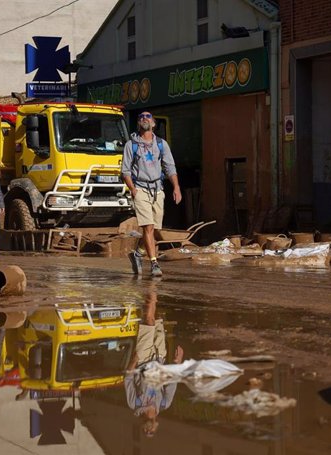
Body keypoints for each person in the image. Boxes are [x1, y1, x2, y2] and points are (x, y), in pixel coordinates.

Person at [122, 111, 182, 277]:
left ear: (154, 124)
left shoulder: (161, 144)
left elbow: (170, 167)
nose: (144, 119)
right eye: (141, 117)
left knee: (155, 229)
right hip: (140, 188)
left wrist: (176, 187)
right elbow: (125, 171)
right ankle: (154, 263)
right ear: (138, 124)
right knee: (147, 227)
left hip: (158, 190)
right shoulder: (131, 145)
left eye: (148, 117)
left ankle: (138, 254)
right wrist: (133, 190)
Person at [125, 282, 183, 438]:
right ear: (156, 427)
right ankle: (149, 292)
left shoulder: (135, 404)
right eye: (152, 432)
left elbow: (128, 380)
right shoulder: (164, 403)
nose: (149, 429)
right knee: (157, 319)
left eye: (146, 431)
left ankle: (152, 286)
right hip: (159, 357)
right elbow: (172, 382)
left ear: (142, 427)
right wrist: (177, 362)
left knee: (149, 320)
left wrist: (135, 360)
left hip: (143, 358)